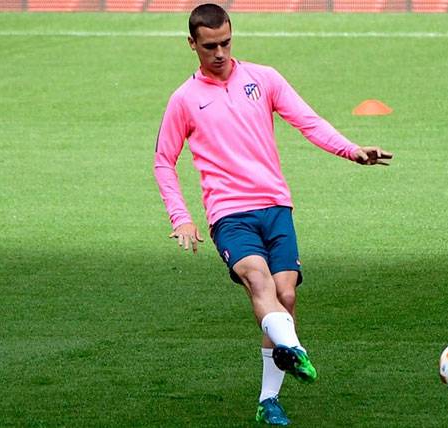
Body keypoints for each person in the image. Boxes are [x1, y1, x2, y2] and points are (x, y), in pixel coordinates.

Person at [153, 3, 392, 426]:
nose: (220, 52)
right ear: (192, 44)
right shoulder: (184, 100)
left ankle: (268, 400)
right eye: (209, 46)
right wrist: (181, 217)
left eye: (226, 42)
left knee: (286, 297)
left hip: (276, 206)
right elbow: (163, 161)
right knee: (258, 280)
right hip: (229, 213)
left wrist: (351, 149)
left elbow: (307, 120)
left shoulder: (264, 79)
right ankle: (295, 349)